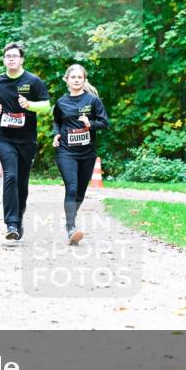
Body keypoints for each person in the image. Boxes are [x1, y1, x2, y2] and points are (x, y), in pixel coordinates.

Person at [0, 41, 50, 240]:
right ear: (4, 60)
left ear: (21, 59)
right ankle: (11, 224)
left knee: (22, 183)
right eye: (8, 56)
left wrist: (29, 105)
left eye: (15, 56)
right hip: (5, 138)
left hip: (27, 140)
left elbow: (47, 106)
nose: (11, 59)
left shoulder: (33, 80)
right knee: (10, 176)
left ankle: (18, 220)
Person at [52, 64, 109, 244]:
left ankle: (71, 221)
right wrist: (56, 134)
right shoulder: (61, 102)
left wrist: (90, 123)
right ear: (66, 79)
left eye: (80, 77)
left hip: (87, 153)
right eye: (73, 77)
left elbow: (105, 123)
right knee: (72, 187)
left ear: (84, 80)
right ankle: (71, 227)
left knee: (80, 193)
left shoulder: (92, 101)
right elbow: (57, 122)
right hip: (66, 151)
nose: (76, 80)